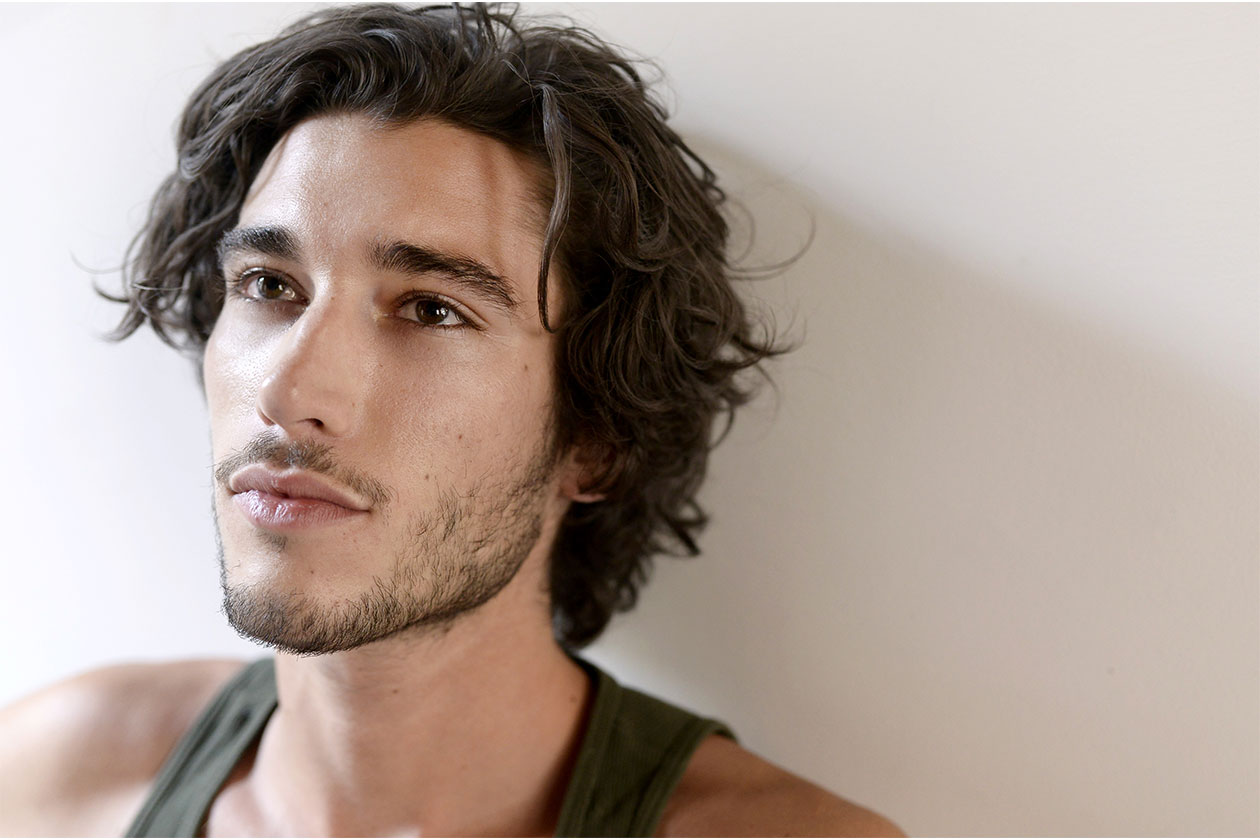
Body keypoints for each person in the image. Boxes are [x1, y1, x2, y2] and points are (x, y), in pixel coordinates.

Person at [0, 5, 903, 836]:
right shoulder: (56, 782)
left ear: (596, 437)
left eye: (432, 309)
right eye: (270, 285)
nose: (289, 392)